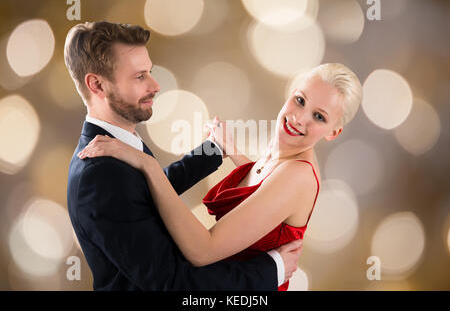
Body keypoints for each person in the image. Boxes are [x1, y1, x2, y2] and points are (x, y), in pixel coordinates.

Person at [78, 62, 363, 290]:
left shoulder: (297, 176)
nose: (300, 118)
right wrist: (233, 152)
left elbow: (203, 250)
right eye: (300, 100)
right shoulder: (281, 157)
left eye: (319, 117)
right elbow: (262, 188)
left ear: (334, 132)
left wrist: (148, 166)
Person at [65, 21, 302, 291]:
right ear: (96, 84)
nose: (155, 85)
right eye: (140, 76)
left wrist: (213, 150)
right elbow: (172, 282)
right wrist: (272, 270)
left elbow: (143, 197)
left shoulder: (118, 145)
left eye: (150, 72)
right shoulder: (101, 175)